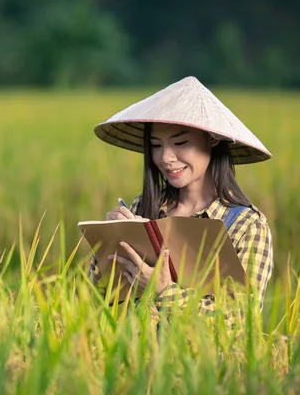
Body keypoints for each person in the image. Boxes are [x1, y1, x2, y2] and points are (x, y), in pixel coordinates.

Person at [88, 76, 274, 332]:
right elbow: (97, 297)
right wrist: (109, 243)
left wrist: (164, 291)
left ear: (213, 138)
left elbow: (239, 322)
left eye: (180, 143)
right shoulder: (143, 207)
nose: (166, 158)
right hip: (135, 367)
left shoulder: (246, 226)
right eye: (156, 145)